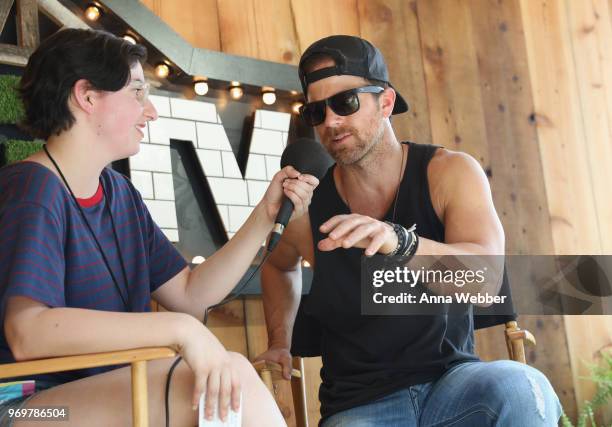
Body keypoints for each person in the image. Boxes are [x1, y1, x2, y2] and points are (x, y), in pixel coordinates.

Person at [0, 28, 318, 426]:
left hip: (104, 393)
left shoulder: (120, 194)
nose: (150, 111)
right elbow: (28, 333)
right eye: (136, 92)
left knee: (230, 378)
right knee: (228, 378)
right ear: (87, 96)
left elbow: (190, 295)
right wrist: (181, 330)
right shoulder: (32, 188)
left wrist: (264, 216)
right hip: (24, 403)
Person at [255, 35, 562, 426]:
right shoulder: (308, 205)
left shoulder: (447, 173)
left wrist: (400, 242)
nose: (330, 121)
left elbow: (486, 280)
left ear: (385, 102)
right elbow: (277, 265)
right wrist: (279, 342)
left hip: (453, 383)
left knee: (521, 386)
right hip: (360, 404)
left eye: (345, 103)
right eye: (316, 112)